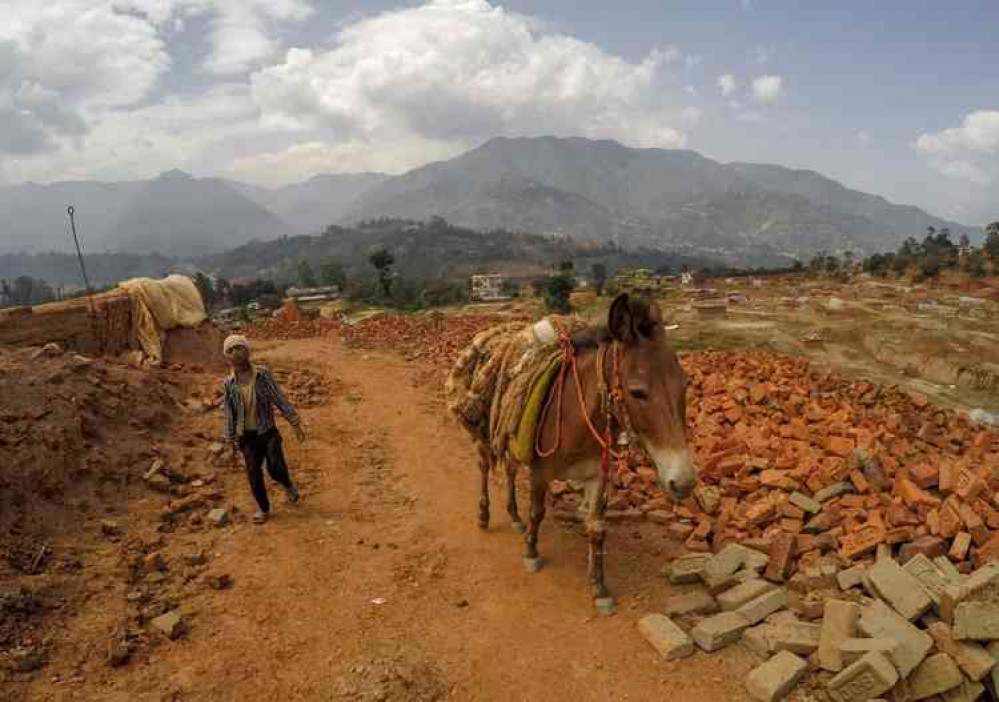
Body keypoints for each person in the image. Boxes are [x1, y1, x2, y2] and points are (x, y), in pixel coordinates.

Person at [221, 334, 306, 524]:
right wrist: (230, 440)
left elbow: (279, 398)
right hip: (247, 437)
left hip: (267, 432)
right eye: (231, 350)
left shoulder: (262, 374)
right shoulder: (228, 384)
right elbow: (229, 412)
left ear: (247, 351)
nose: (236, 353)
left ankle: (287, 484)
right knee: (253, 473)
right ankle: (263, 508)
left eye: (239, 348)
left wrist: (294, 423)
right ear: (226, 356)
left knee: (276, 467)